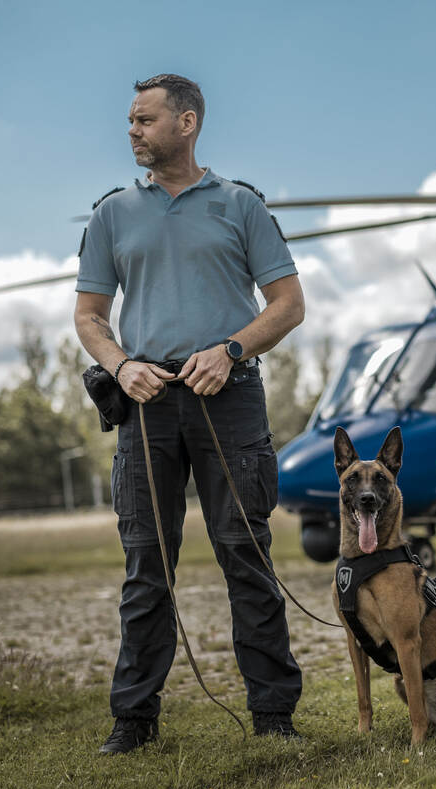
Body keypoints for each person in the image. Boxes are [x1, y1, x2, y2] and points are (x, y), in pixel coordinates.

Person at [74, 74, 306, 754]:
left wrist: (231, 349)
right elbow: (89, 317)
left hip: (228, 398)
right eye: (130, 120)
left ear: (187, 122)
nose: (132, 130)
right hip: (146, 405)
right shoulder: (112, 213)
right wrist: (122, 365)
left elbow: (288, 304)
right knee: (148, 562)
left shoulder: (240, 206)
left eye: (144, 119)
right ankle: (134, 721)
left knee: (245, 551)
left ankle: (273, 715)